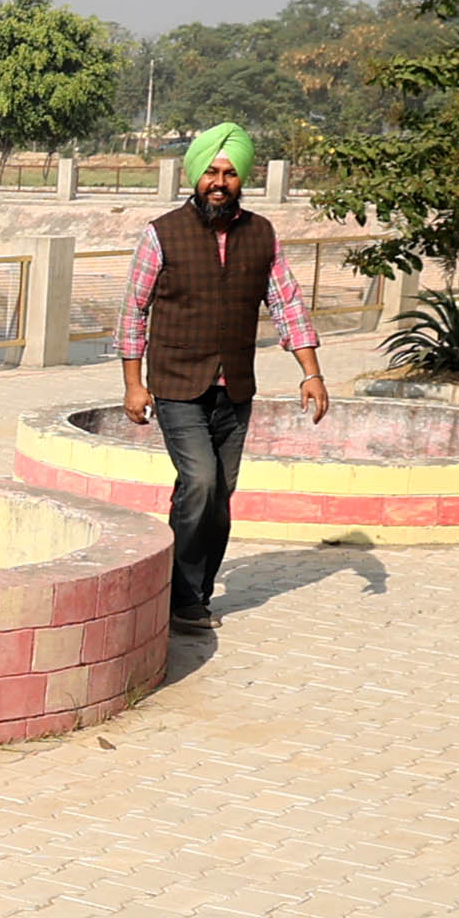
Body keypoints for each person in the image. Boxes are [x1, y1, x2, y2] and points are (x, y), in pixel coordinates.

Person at [114, 122, 327, 638]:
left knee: (214, 492)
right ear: (195, 175)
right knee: (202, 482)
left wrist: (312, 372)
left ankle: (189, 588)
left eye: (230, 174)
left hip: (235, 388)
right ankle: (185, 601)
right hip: (177, 382)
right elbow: (133, 312)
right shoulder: (161, 232)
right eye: (211, 170)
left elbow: (287, 305)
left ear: (242, 180)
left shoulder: (262, 235)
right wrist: (133, 383)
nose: (219, 181)